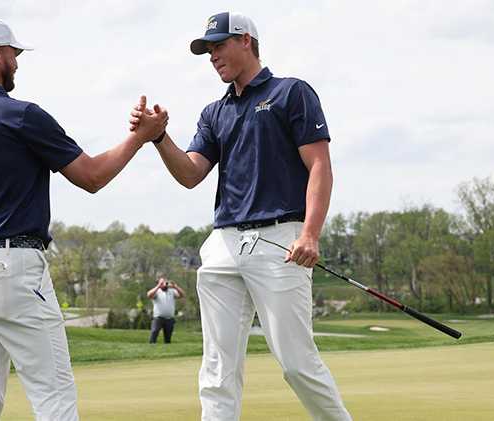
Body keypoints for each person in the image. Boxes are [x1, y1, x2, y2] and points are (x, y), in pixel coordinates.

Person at [0, 17, 167, 421]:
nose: (17, 63)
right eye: (14, 54)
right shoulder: (21, 115)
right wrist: (140, 138)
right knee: (53, 394)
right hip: (11, 267)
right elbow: (91, 176)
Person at [130, 11, 351, 421]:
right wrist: (158, 137)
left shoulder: (291, 92)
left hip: (280, 241)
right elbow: (191, 173)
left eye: (219, 45)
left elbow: (320, 165)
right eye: (208, 50)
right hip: (223, 245)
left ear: (246, 40)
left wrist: (310, 234)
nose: (212, 56)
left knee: (297, 363)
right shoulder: (214, 112)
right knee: (216, 371)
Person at [147, 277, 186, 343]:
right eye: (163, 283)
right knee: (155, 331)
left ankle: (167, 346)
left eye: (166, 283)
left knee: (168, 335)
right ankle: (151, 344)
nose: (164, 285)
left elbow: (182, 294)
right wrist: (158, 286)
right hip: (158, 318)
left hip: (169, 318)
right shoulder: (157, 292)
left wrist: (175, 286)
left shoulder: (172, 291)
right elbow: (149, 295)